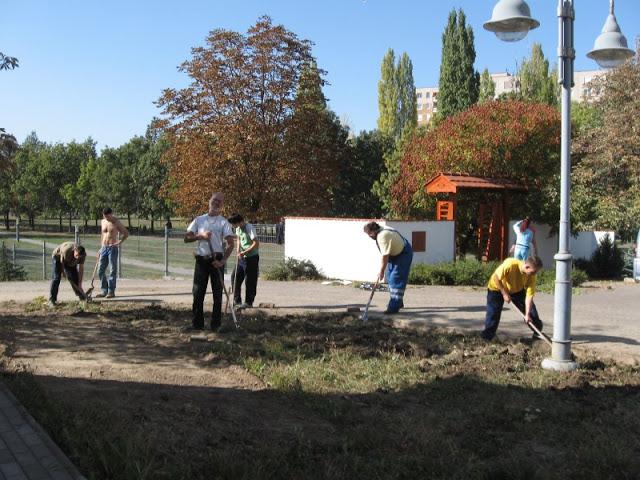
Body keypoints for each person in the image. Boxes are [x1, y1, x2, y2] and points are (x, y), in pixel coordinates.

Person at [185, 193, 235, 331]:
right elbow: (186, 238)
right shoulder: (199, 220)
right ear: (209, 201)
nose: (217, 203)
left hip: (216, 261)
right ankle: (197, 324)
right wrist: (199, 236)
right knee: (197, 292)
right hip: (201, 260)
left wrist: (223, 261)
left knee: (217, 294)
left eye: (220, 201)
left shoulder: (223, 222)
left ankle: (216, 325)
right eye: (214, 200)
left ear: (222, 205)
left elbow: (231, 244)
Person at [481, 256, 544, 341]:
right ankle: (486, 338)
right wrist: (504, 293)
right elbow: (496, 277)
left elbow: (529, 297)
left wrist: (527, 314)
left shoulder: (532, 276)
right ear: (527, 266)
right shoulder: (511, 264)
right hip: (496, 288)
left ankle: (537, 334)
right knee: (493, 314)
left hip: (516, 290)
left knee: (532, 314)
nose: (534, 274)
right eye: (533, 272)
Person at [363, 221, 413, 314]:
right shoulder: (380, 230)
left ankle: (393, 308)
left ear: (373, 232)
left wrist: (381, 271)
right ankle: (398, 302)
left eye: (369, 234)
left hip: (403, 254)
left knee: (395, 279)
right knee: (390, 278)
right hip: (395, 254)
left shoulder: (382, 236)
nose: (369, 237)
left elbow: (385, 256)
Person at [95, 207, 129, 298]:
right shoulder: (103, 221)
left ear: (111, 214)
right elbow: (102, 234)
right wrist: (100, 248)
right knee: (100, 270)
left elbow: (126, 233)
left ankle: (111, 291)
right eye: (104, 216)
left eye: (108, 216)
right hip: (103, 248)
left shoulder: (116, 222)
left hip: (112, 248)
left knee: (112, 270)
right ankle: (104, 290)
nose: (106, 218)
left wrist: (119, 242)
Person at [228, 214, 260, 308]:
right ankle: (237, 301)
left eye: (233, 224)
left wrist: (245, 252)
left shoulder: (249, 228)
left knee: (250, 280)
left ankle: (248, 302)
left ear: (239, 222)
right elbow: (238, 239)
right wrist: (238, 250)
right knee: (235, 276)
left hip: (251, 258)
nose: (232, 226)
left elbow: (256, 243)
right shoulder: (238, 229)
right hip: (241, 258)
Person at [49, 242, 87, 306]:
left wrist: (80, 284)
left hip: (70, 261)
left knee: (75, 278)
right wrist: (63, 273)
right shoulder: (67, 250)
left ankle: (82, 297)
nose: (78, 258)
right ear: (74, 251)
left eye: (79, 257)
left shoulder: (83, 255)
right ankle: (52, 300)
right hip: (58, 257)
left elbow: (81, 269)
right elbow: (62, 262)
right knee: (56, 278)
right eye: (76, 255)